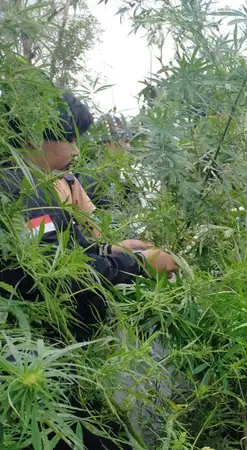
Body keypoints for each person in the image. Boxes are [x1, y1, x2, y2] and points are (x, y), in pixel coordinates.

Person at [0, 90, 179, 450]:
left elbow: (65, 252)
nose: (77, 152)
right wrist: (139, 264)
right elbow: (61, 276)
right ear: (35, 136)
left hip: (57, 357)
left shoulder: (33, 185)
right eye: (69, 140)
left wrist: (113, 248)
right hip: (38, 366)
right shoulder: (18, 191)